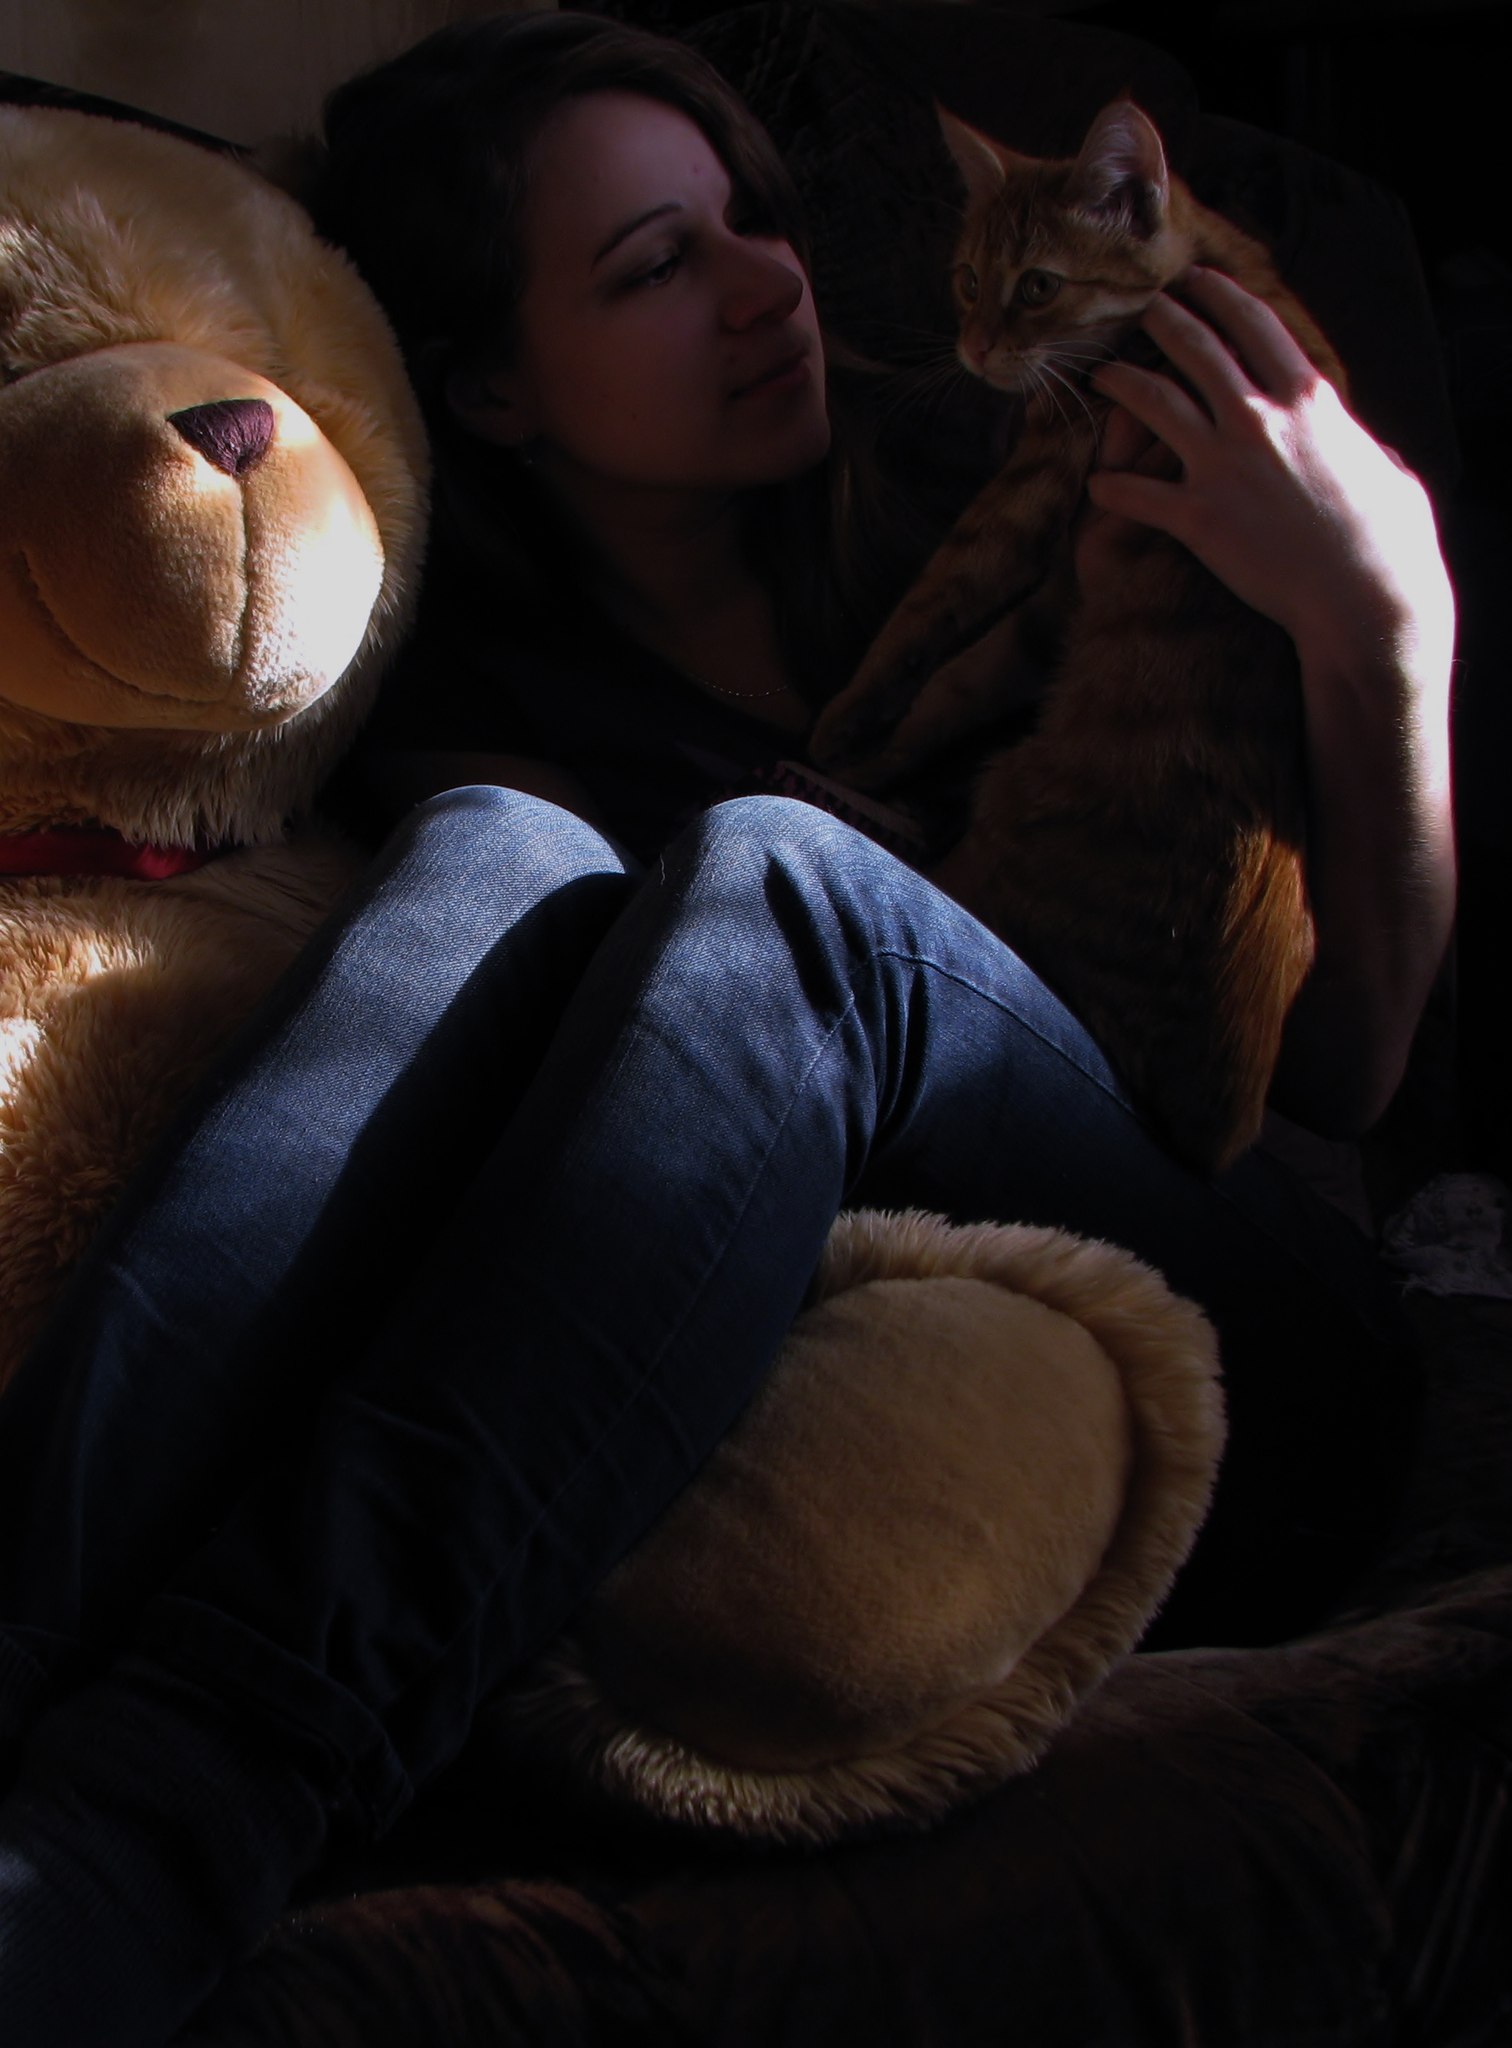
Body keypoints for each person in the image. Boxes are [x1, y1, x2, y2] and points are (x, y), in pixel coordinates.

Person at [0, 13, 1454, 2044]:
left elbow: (1352, 1073)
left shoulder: (1025, 460)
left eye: (759, 221)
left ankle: (168, 1819)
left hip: (1250, 1332)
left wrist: (1388, 624)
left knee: (778, 876)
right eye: (656, 266)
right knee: (505, 843)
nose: (771, 287)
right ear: (492, 387)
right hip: (869, 1400)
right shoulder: (475, 719)